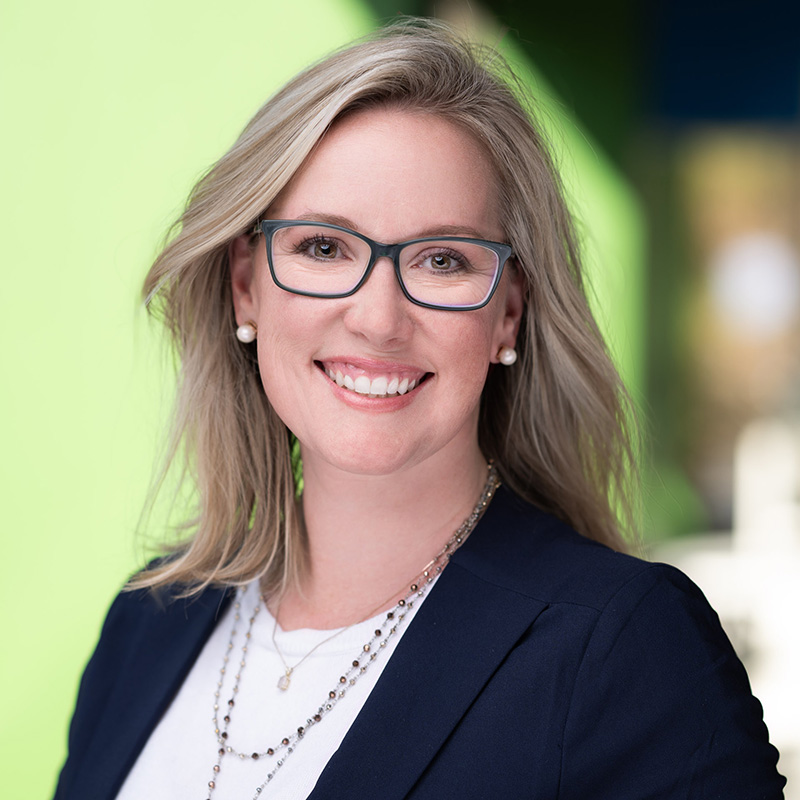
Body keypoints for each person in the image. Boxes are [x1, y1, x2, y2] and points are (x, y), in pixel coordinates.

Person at [54, 19, 785, 800]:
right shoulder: (148, 619)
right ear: (246, 285)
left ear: (508, 314)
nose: (377, 318)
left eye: (443, 260)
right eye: (324, 247)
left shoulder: (624, 648)